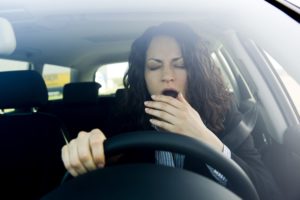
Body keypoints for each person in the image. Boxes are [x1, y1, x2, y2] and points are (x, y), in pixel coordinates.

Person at [61, 22, 282, 199]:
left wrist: (203, 136)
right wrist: (90, 152)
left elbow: (268, 193)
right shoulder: (124, 117)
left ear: (195, 72)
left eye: (180, 64)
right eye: (155, 66)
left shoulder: (226, 114)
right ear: (143, 77)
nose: (167, 75)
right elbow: (103, 176)